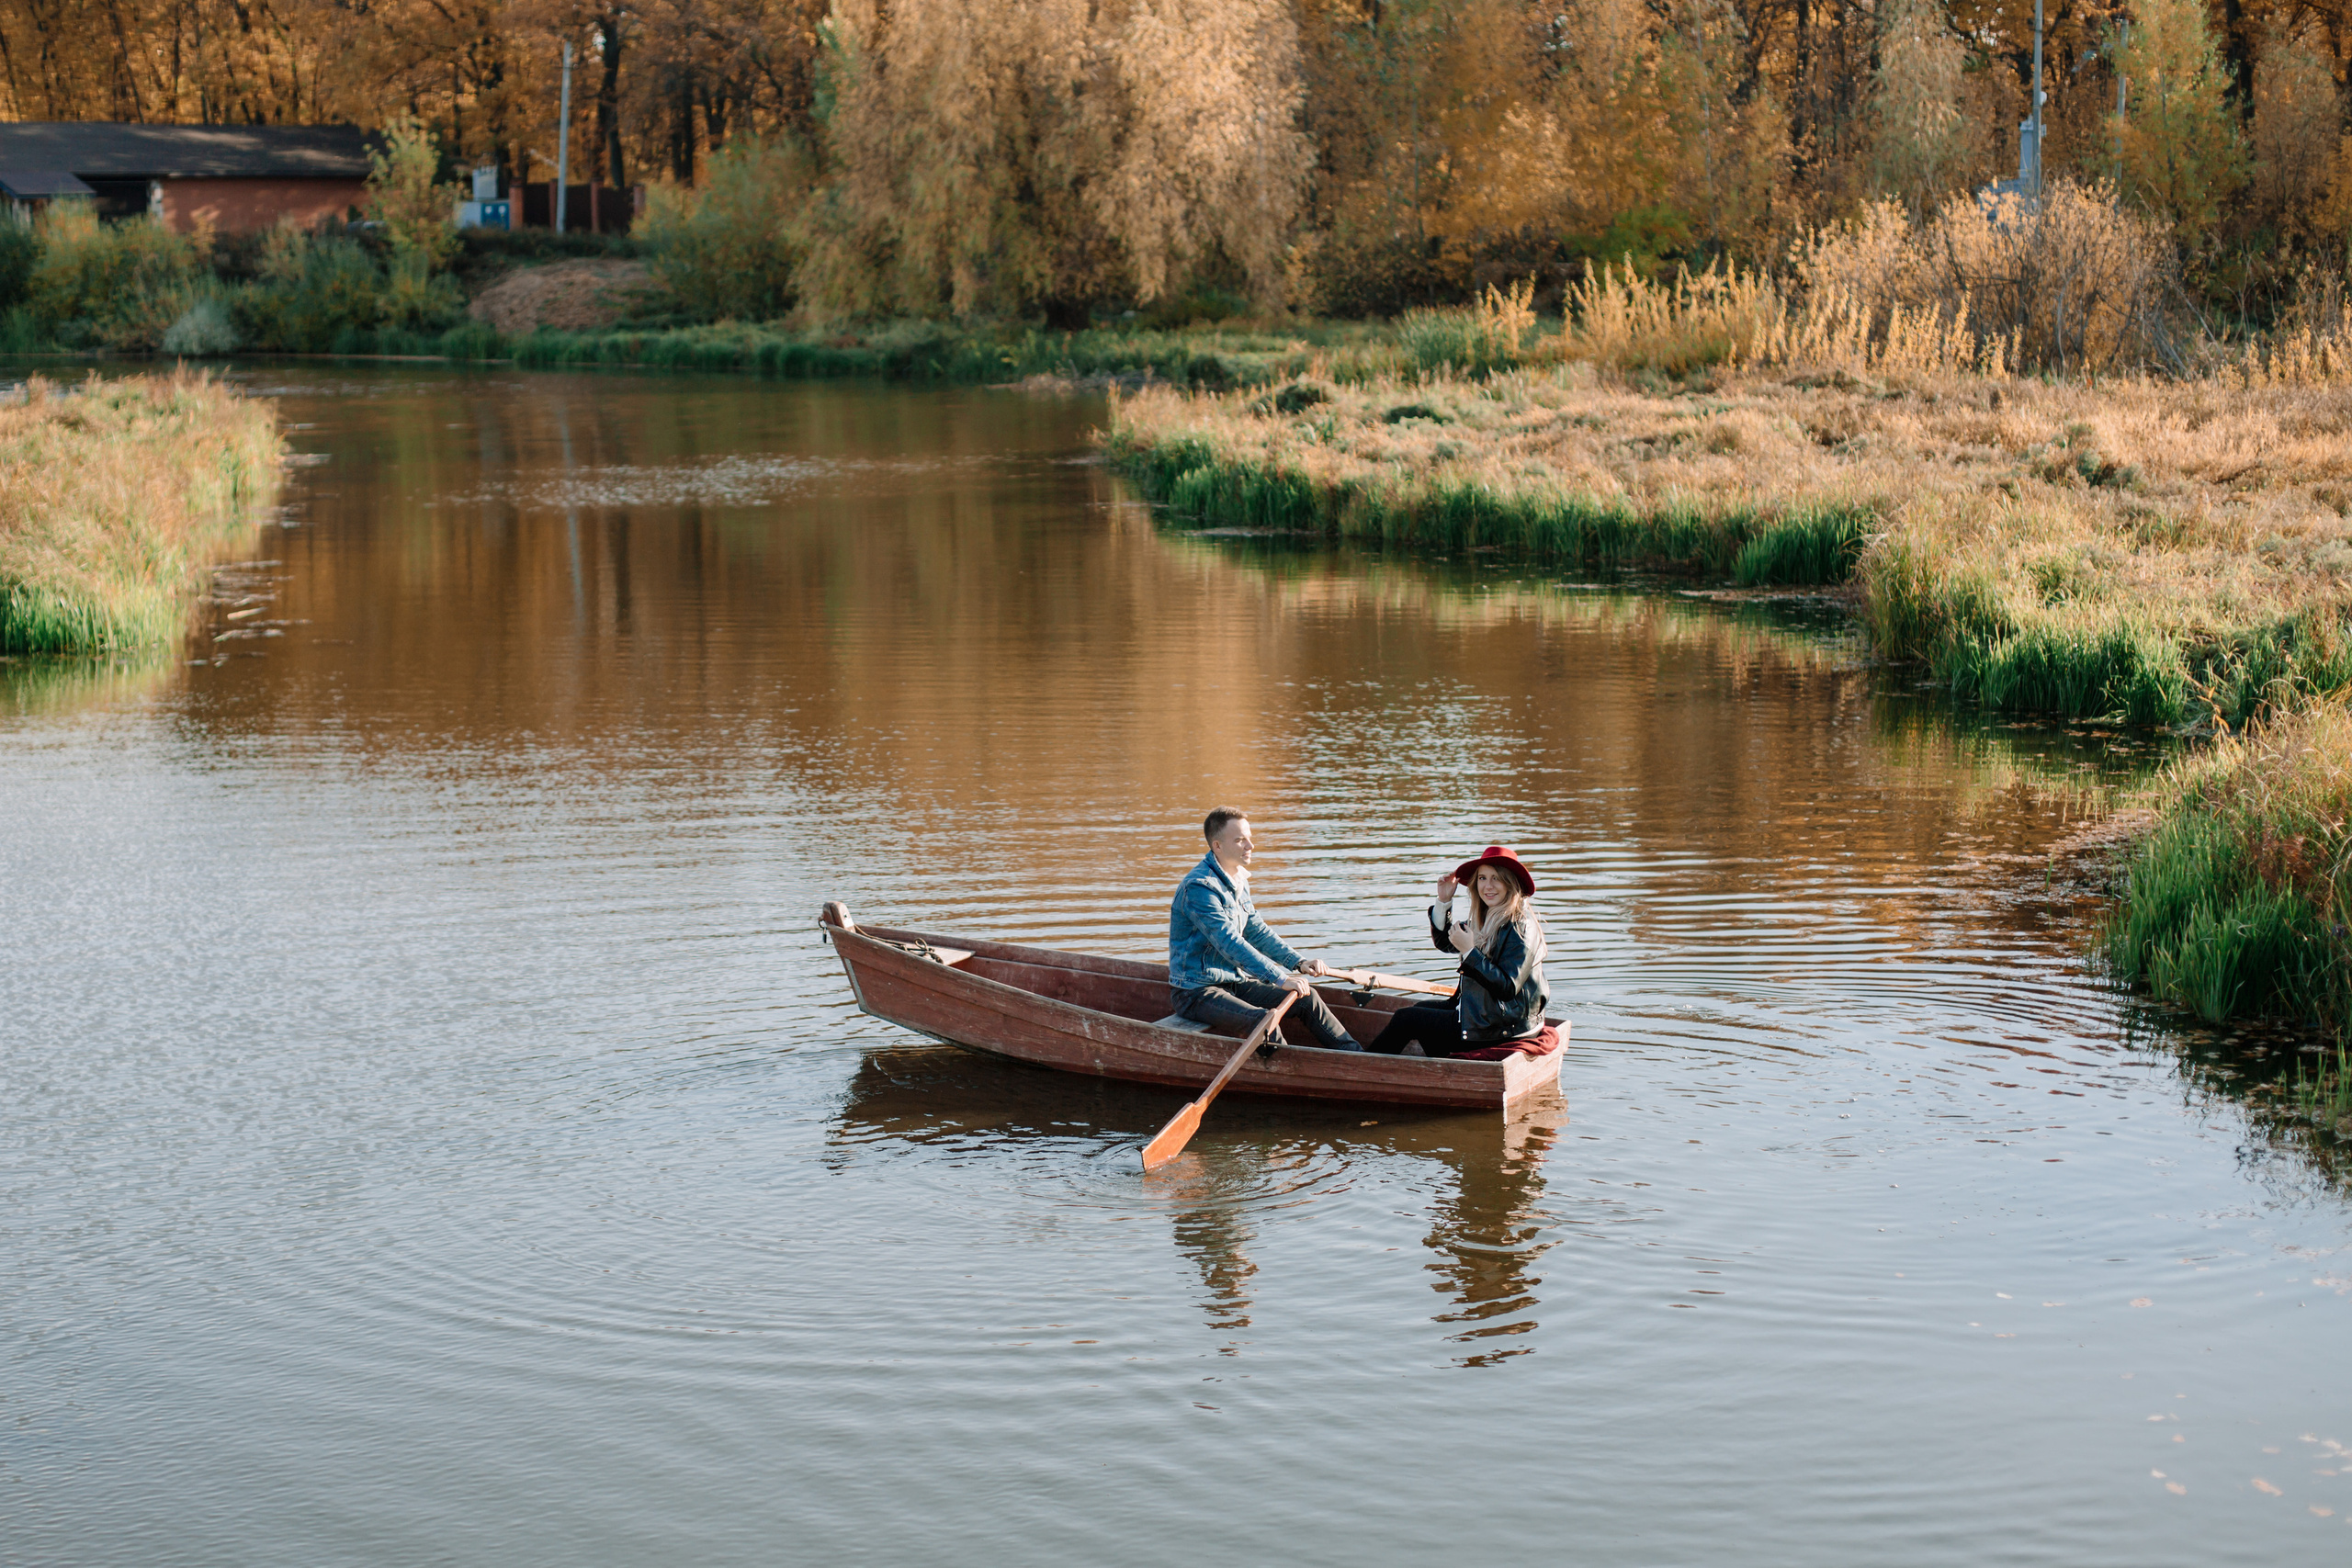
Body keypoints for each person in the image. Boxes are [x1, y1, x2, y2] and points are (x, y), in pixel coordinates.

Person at [1169, 807, 1363, 1052]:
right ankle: (1289, 1074)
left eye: (1249, 838)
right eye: (1239, 840)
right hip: (1196, 993)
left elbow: (1256, 930)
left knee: (1307, 998)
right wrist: (1279, 978)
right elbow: (1229, 942)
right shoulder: (1198, 888)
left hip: (1234, 984)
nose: (1250, 846)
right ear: (1217, 846)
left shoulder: (1238, 878)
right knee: (1264, 1020)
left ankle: (1356, 1056)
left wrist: (1298, 962)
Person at [1368, 845, 1549, 1058]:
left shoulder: (1521, 925)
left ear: (1511, 884)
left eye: (1496, 878)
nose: (1488, 886)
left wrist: (1471, 952)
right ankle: (1444, 1067)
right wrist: (1444, 901)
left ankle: (1361, 1067)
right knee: (1421, 1009)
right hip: (1488, 1015)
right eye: (1482, 878)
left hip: (1508, 1026)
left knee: (1406, 1018)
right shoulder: (1487, 917)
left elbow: (1508, 987)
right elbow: (1446, 942)